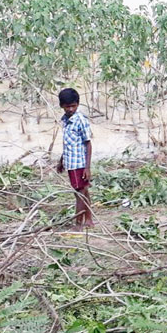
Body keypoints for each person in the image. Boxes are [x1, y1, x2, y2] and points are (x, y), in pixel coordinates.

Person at [56, 88, 94, 230]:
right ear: (62, 106)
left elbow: (88, 143)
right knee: (83, 191)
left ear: (78, 104)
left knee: (79, 193)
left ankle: (78, 224)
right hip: (71, 163)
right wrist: (61, 161)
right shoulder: (65, 121)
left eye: (73, 105)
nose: (71, 109)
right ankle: (89, 220)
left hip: (79, 164)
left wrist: (87, 167)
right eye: (67, 106)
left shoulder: (81, 121)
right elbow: (68, 144)